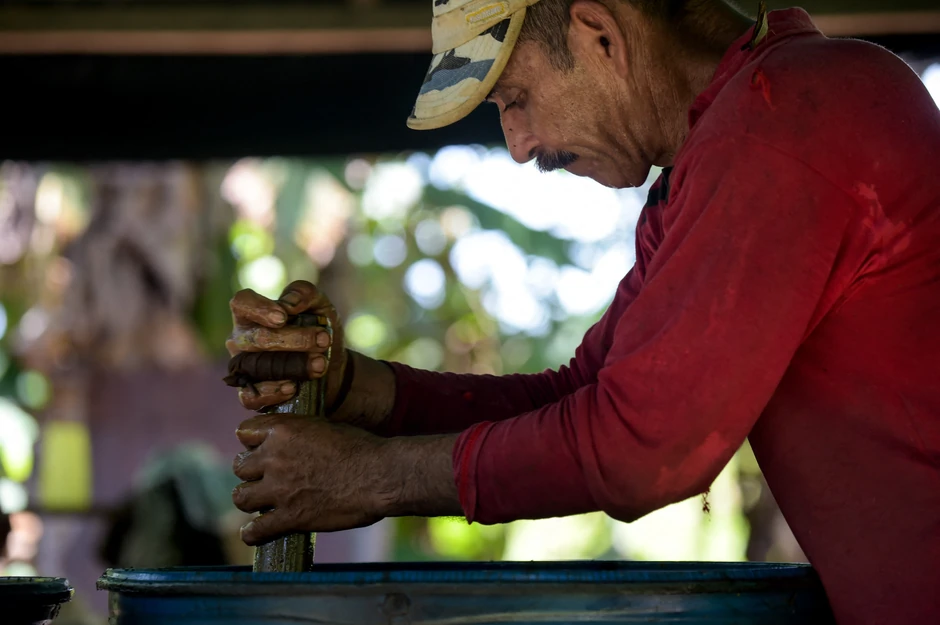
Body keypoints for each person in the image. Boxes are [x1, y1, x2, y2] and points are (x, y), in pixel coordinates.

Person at [226, 1, 940, 623]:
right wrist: (355, 389)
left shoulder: (783, 120)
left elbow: (641, 448)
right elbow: (582, 396)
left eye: (515, 99)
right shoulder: (736, 140)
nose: (518, 145)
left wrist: (371, 477)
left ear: (599, 33)